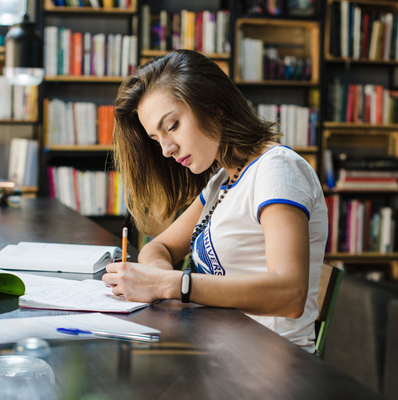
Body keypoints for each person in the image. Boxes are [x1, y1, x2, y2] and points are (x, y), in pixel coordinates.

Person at [103, 49, 328, 353]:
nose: (167, 149)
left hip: (275, 365)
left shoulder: (277, 169)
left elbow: (290, 293)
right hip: (219, 353)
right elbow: (158, 247)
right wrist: (159, 276)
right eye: (156, 139)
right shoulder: (222, 182)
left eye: (172, 126)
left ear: (214, 106)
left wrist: (171, 285)